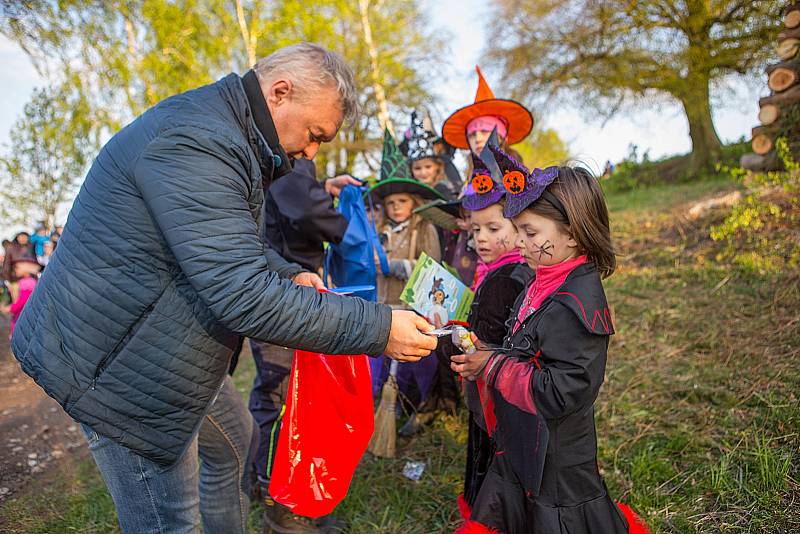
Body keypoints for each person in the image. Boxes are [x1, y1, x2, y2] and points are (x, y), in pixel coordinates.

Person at [11, 43, 437, 534]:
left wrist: (286, 271)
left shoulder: (231, 134)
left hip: (165, 342)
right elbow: (241, 294)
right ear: (280, 93)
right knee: (169, 520)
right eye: (315, 134)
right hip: (119, 366)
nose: (311, 152)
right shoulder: (201, 141)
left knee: (234, 443)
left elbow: (233, 243)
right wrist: (379, 326)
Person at [450, 145, 648, 533]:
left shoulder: (577, 306)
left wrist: (492, 366)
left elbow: (563, 390)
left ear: (573, 235)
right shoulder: (539, 281)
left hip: (557, 462)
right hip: (523, 442)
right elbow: (522, 350)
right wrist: (488, 353)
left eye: (530, 232)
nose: (519, 241)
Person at [250, 156, 360, 533]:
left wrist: (322, 187)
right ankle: (279, 500)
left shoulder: (286, 160)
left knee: (274, 392)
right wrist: (353, 225)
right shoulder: (287, 157)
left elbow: (296, 198)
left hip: (280, 289)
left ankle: (264, 481)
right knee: (281, 396)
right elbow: (307, 210)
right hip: (281, 297)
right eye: (317, 132)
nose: (315, 144)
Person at [437, 147, 533, 513]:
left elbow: (476, 347)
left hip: (496, 401)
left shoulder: (501, 281)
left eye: (494, 228)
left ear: (519, 225)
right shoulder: (513, 270)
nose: (480, 238)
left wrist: (443, 334)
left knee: (492, 462)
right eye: (475, 229)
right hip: (516, 396)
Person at [368, 130, 448, 432]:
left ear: (413, 201)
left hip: (411, 307)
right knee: (387, 364)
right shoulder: (380, 232)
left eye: (402, 201)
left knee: (414, 366)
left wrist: (396, 265)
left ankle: (420, 407)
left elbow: (433, 267)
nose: (396, 207)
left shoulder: (423, 227)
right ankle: (393, 407)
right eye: (390, 203)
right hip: (384, 306)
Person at [404, 111, 458, 199]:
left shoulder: (449, 190)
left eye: (428, 167)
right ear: (411, 170)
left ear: (437, 166)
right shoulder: (410, 196)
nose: (423, 172)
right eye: (417, 168)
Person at [2, 258, 41, 336]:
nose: (15, 270)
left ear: (26, 272)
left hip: (21, 319)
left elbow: (22, 300)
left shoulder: (27, 283)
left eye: (18, 268)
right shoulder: (29, 282)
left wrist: (10, 308)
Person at [2, 232, 35, 300]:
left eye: (25, 236)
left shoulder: (32, 248)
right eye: (21, 236)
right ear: (17, 237)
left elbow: (35, 263)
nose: (23, 238)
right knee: (17, 303)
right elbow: (7, 265)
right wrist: (7, 280)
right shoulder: (11, 249)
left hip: (30, 281)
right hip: (15, 281)